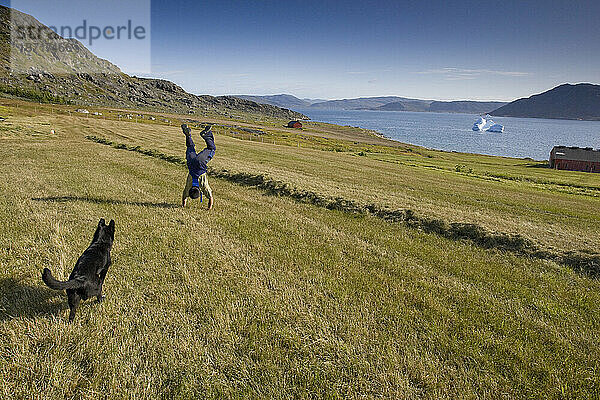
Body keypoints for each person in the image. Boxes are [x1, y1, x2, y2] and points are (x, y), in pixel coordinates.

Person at [181, 124, 215, 209]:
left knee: (211, 149)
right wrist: (183, 205)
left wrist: (209, 208)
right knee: (190, 146)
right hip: (191, 163)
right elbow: (184, 197)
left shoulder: (203, 186)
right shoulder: (188, 187)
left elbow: (210, 197)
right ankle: (188, 135)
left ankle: (206, 135)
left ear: (200, 191)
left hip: (200, 162)